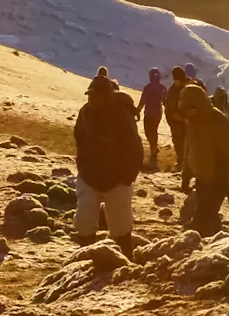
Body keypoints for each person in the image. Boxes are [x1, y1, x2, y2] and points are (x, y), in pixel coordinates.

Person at [71, 68, 145, 247]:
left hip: (117, 178)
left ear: (106, 96)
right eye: (90, 95)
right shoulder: (85, 113)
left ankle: (125, 256)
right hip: (89, 175)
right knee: (84, 219)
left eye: (96, 95)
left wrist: (126, 178)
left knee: (120, 222)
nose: (92, 99)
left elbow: (134, 148)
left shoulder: (121, 115)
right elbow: (79, 138)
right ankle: (87, 253)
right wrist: (83, 165)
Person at [184, 83, 229, 236]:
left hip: (218, 179)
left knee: (202, 218)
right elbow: (190, 150)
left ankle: (206, 251)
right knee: (208, 216)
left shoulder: (220, 124)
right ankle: (219, 240)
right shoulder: (193, 123)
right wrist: (186, 175)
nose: (187, 114)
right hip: (202, 178)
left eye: (189, 109)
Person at [165, 70, 210, 199]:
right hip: (182, 123)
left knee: (189, 150)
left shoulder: (191, 86)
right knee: (185, 149)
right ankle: (186, 174)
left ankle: (189, 175)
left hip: (190, 124)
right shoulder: (178, 88)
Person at [139, 68, 169, 170]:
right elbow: (165, 101)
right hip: (158, 114)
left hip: (149, 113)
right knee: (154, 131)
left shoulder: (147, 88)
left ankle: (153, 149)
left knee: (148, 131)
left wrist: (137, 111)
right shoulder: (163, 88)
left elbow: (143, 101)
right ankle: (154, 148)